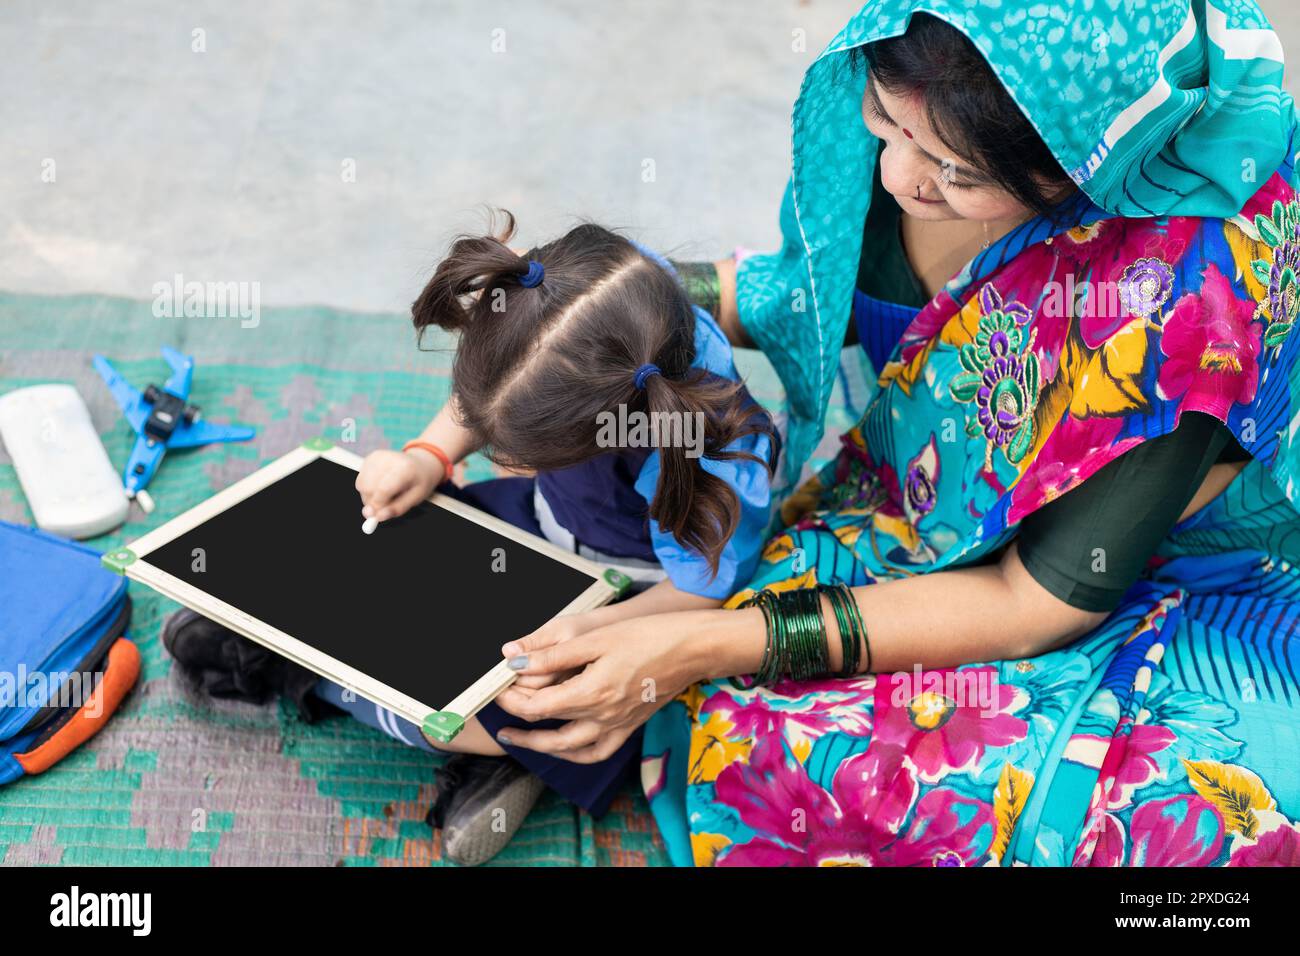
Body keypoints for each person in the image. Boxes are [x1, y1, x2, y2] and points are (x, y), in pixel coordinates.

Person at [488, 2, 1300, 866]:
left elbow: (1033, 606)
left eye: (954, 171)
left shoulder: (1190, 298)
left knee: (1144, 820)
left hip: (1168, 589)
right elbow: (806, 290)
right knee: (703, 609)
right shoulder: (912, 143)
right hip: (911, 508)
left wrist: (703, 646)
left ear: (1078, 164)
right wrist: (574, 325)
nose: (897, 176)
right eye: (883, 119)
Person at [167, 214, 777, 866]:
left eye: (514, 448)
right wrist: (428, 456)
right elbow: (492, 388)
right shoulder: (585, 300)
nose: (493, 452)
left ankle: (314, 673)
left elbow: (699, 598)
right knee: (397, 541)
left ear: (605, 428)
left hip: (641, 596)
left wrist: (588, 634)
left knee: (534, 703)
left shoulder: (712, 462)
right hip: (539, 525)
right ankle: (384, 690)